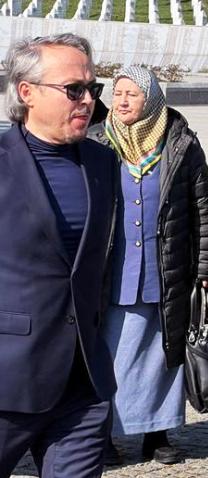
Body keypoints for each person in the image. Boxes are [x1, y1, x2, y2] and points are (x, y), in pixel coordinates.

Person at [0, 33, 118, 477]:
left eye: (92, 89)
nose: (87, 100)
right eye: (74, 89)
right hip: (8, 379)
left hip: (83, 384)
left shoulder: (102, 163)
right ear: (27, 92)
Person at [94, 65, 208, 465]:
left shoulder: (180, 143)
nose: (123, 101)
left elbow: (203, 207)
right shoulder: (98, 142)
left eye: (132, 94)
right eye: (118, 94)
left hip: (165, 272)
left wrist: (204, 269)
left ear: (151, 99)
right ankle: (103, 436)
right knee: (110, 355)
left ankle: (157, 434)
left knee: (161, 356)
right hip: (112, 274)